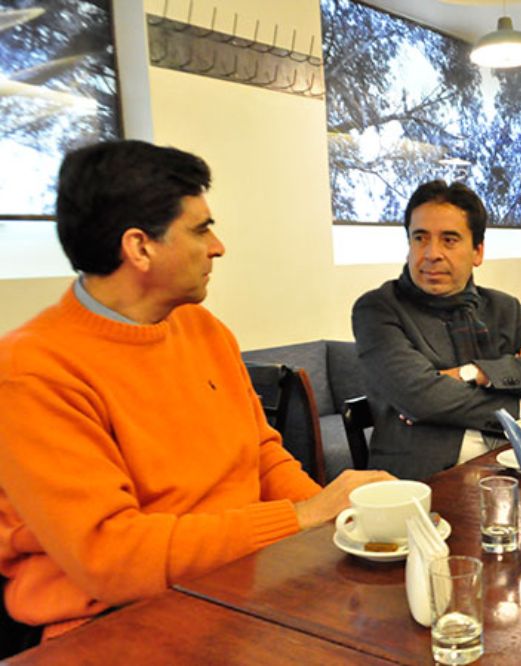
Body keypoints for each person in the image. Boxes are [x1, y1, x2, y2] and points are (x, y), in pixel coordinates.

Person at [0, 140, 392, 641]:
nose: (218, 246)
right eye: (201, 228)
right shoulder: (33, 370)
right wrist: (305, 517)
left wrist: (340, 525)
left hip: (242, 584)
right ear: (139, 246)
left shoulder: (202, 329)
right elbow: (112, 557)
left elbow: (262, 457)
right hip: (114, 624)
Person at [352, 180, 521, 479]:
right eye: (420, 238)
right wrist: (517, 400)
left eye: (449, 240)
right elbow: (423, 399)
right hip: (424, 480)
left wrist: (473, 373)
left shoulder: (502, 308)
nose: (431, 253)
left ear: (477, 251)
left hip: (513, 464)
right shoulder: (378, 310)